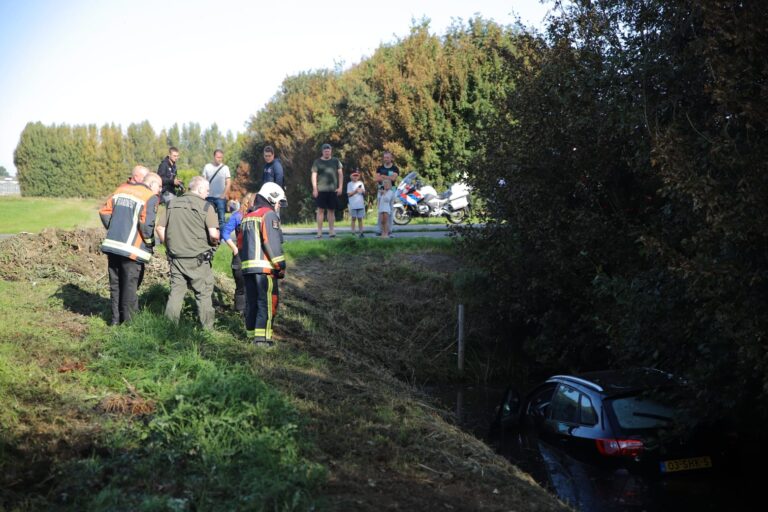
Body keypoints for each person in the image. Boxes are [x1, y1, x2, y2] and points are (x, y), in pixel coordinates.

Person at [99, 168, 162, 325]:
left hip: (113, 246)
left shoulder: (121, 190)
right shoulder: (150, 197)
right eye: (160, 187)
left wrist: (113, 229)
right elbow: (147, 226)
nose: (160, 190)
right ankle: (129, 324)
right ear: (152, 184)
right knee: (129, 287)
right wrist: (149, 244)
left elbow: (104, 212)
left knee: (116, 285)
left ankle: (115, 321)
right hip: (131, 251)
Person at [157, 176, 220, 329]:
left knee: (176, 293)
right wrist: (214, 243)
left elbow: (159, 228)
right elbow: (213, 234)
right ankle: (208, 331)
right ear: (198, 189)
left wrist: (169, 245)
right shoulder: (206, 207)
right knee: (203, 293)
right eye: (206, 190)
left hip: (176, 258)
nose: (208, 193)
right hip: (198, 260)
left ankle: (169, 329)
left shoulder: (171, 203)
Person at [239, 183, 287, 347]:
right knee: (266, 303)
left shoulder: (248, 215)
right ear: (272, 197)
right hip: (265, 269)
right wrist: (280, 265)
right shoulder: (269, 215)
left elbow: (240, 244)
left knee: (251, 303)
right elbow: (271, 242)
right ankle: (262, 340)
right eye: (279, 201)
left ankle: (250, 336)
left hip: (247, 269)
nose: (279, 205)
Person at [221, 192, 256, 314]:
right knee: (241, 286)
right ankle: (239, 313)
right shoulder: (237, 216)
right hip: (240, 255)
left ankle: (250, 311)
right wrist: (234, 249)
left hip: (254, 255)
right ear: (249, 202)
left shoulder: (258, 215)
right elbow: (225, 233)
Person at [310, 143, 343, 238]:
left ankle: (331, 231)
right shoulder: (317, 162)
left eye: (328, 151)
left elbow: (340, 174)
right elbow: (314, 175)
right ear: (322, 152)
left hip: (333, 190)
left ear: (331, 151)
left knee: (331, 211)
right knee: (320, 210)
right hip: (321, 190)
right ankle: (319, 232)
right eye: (325, 151)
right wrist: (315, 189)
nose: (327, 153)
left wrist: (340, 187)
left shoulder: (336, 161)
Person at [202, 149, 231, 227]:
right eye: (218, 157)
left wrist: (223, 195)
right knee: (207, 218)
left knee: (221, 219)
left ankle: (221, 238)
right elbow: (203, 182)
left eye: (221, 157)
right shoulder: (207, 167)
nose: (219, 159)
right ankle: (208, 237)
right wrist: (204, 194)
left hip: (220, 198)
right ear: (214, 157)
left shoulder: (225, 168)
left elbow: (228, 183)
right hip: (208, 197)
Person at [375, 151, 399, 236]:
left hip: (391, 191)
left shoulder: (395, 168)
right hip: (381, 190)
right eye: (385, 157)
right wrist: (388, 178)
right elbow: (376, 179)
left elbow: (393, 179)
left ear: (391, 158)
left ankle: (389, 230)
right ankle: (379, 230)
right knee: (381, 211)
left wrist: (383, 177)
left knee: (390, 211)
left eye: (388, 157)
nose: (386, 159)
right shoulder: (379, 168)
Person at [346, 169, 366, 237]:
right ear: (351, 176)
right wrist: (356, 191)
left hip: (360, 204)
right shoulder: (349, 184)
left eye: (356, 176)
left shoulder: (361, 183)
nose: (355, 177)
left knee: (360, 219)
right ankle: (353, 232)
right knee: (353, 218)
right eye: (354, 176)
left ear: (358, 176)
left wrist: (362, 191)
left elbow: (364, 192)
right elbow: (349, 194)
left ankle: (361, 232)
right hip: (353, 205)